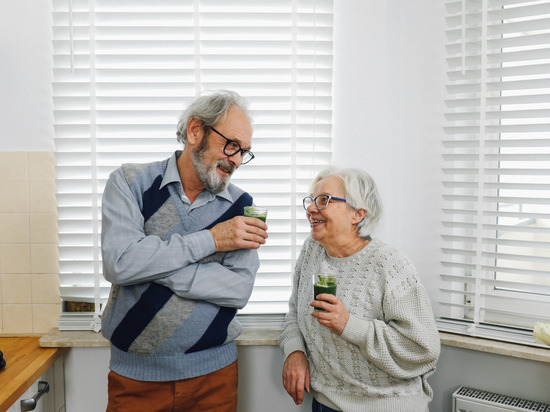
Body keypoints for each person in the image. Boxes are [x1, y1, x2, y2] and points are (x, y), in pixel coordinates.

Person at [100, 90, 268, 412]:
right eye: (231, 144)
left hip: (214, 379)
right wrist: (211, 241)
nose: (235, 159)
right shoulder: (129, 182)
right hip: (135, 381)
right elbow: (119, 263)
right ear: (195, 131)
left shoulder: (242, 206)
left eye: (244, 152)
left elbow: (238, 290)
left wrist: (151, 265)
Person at [278, 166, 440, 412]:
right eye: (311, 200)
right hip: (325, 403)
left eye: (324, 200)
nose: (311, 208)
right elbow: (295, 311)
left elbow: (423, 349)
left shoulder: (391, 265)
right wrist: (294, 350)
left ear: (358, 214)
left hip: (386, 405)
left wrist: (349, 325)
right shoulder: (312, 251)